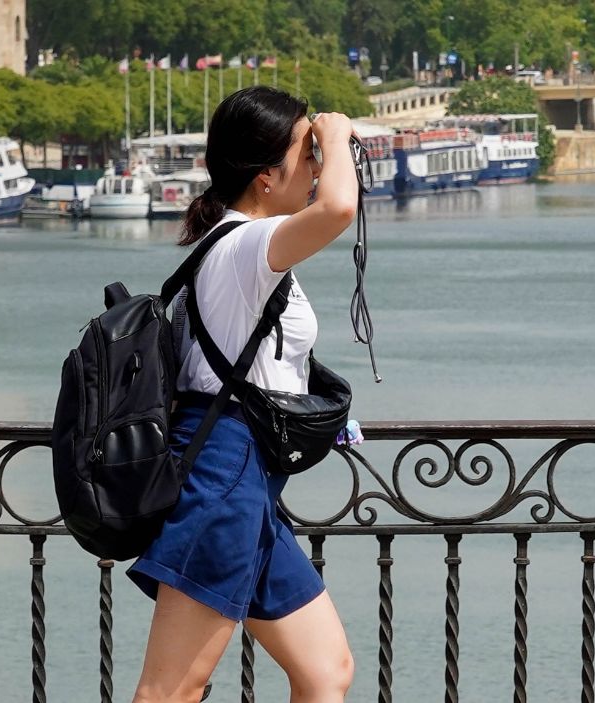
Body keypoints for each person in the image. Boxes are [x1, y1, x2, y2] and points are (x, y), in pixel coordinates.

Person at [128, 85, 359, 703]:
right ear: (265, 177)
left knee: (325, 672)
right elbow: (339, 208)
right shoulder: (246, 246)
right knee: (170, 690)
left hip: (247, 478)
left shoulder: (240, 249)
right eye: (305, 153)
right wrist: (336, 138)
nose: (315, 169)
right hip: (224, 475)